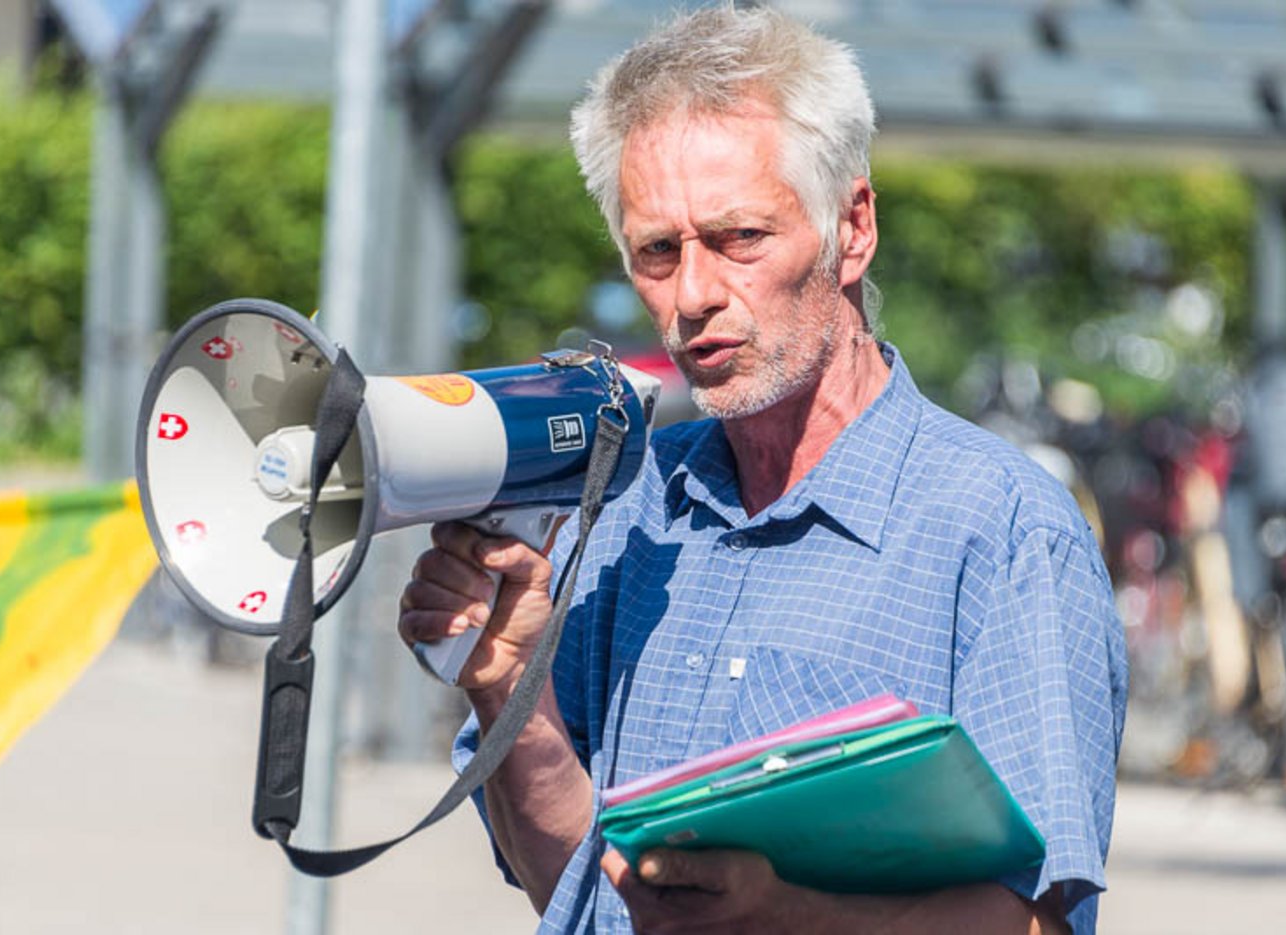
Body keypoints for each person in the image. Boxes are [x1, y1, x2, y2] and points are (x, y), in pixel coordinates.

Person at [398, 6, 1127, 933]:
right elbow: (580, 893)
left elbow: (1042, 922)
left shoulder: (1006, 530)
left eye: (739, 236)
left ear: (851, 228)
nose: (693, 294)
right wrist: (508, 683)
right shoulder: (619, 506)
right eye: (657, 251)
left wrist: (790, 916)